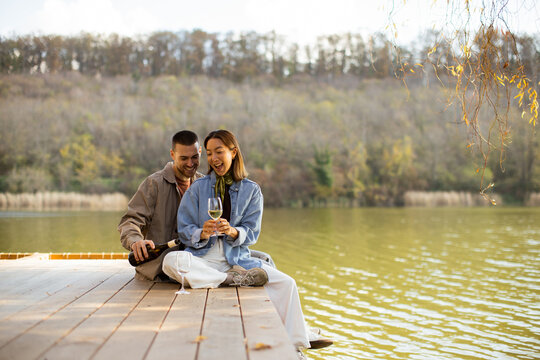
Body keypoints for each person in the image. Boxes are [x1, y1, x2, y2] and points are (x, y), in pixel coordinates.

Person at [162, 129, 332, 358]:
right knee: (171, 261)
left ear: (233, 152)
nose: (213, 158)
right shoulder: (198, 188)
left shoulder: (252, 190)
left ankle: (295, 345)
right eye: (210, 153)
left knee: (288, 284)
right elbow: (184, 230)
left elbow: (252, 233)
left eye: (219, 152)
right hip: (204, 258)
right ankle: (227, 280)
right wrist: (201, 233)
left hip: (237, 259)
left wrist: (233, 231)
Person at [118, 130, 274, 281]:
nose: (190, 163)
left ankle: (235, 276)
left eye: (194, 157)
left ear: (200, 152)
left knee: (265, 259)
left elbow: (243, 230)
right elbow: (130, 220)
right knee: (172, 261)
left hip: (199, 257)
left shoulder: (203, 184)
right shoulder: (154, 184)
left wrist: (228, 232)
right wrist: (135, 241)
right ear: (173, 155)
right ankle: (229, 279)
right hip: (163, 265)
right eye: (184, 158)